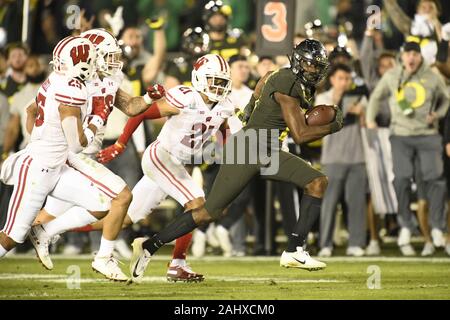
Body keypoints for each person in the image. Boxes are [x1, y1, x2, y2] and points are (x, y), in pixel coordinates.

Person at [129, 39, 344, 283]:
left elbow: (265, 78)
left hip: (265, 148)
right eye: (311, 65)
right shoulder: (288, 82)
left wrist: (252, 107)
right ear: (298, 63)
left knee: (317, 182)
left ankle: (295, 250)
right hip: (250, 148)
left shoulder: (286, 77)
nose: (315, 71)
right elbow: (301, 135)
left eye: (318, 66)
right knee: (209, 212)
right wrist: (333, 126)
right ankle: (150, 245)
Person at [28, 29, 160, 281]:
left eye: (115, 56)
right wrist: (38, 143)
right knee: (121, 197)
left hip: (87, 153)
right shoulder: (72, 79)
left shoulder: (111, 78)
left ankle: (40, 233)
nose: (114, 61)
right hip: (73, 153)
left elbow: (130, 107)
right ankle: (103, 257)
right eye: (108, 56)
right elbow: (33, 109)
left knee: (38, 218)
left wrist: (147, 98)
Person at [0, 36, 98, 258]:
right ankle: (36, 232)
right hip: (38, 168)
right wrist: (95, 123)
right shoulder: (71, 90)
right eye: (91, 61)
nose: (94, 66)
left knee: (101, 204)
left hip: (56, 167)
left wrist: (37, 137)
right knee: (10, 238)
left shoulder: (55, 77)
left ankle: (44, 231)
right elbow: (76, 146)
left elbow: (30, 110)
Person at [366, 41, 449, 256]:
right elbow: (375, 97)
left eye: (415, 54)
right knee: (401, 179)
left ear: (420, 57)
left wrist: (437, 115)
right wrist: (370, 119)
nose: (411, 58)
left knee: (436, 180)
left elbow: (446, 99)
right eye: (408, 54)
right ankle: (405, 224)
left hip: (427, 135)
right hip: (401, 135)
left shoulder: (432, 76)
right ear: (402, 56)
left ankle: (438, 226)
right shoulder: (393, 75)